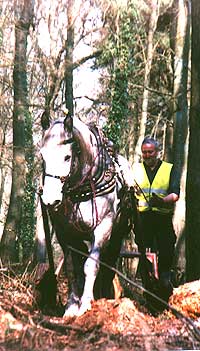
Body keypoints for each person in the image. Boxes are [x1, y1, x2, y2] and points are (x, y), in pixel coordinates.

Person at [132, 136, 180, 303]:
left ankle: (165, 286)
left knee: (166, 251)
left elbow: (175, 194)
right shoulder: (135, 169)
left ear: (157, 152)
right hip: (142, 219)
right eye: (144, 152)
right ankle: (148, 290)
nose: (147, 155)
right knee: (144, 253)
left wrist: (162, 200)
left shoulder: (169, 169)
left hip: (162, 218)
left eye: (150, 152)